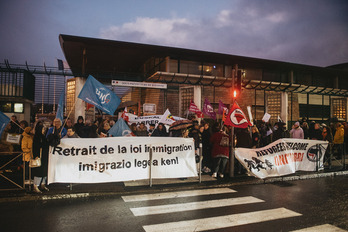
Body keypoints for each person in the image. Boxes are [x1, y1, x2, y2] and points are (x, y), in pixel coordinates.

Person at [31, 122, 50, 193]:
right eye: (42, 128)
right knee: (39, 171)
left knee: (44, 171)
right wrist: (36, 156)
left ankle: (42, 184)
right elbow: (35, 147)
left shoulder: (42, 136)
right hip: (40, 156)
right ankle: (36, 186)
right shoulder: (37, 137)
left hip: (44, 156)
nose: (43, 130)